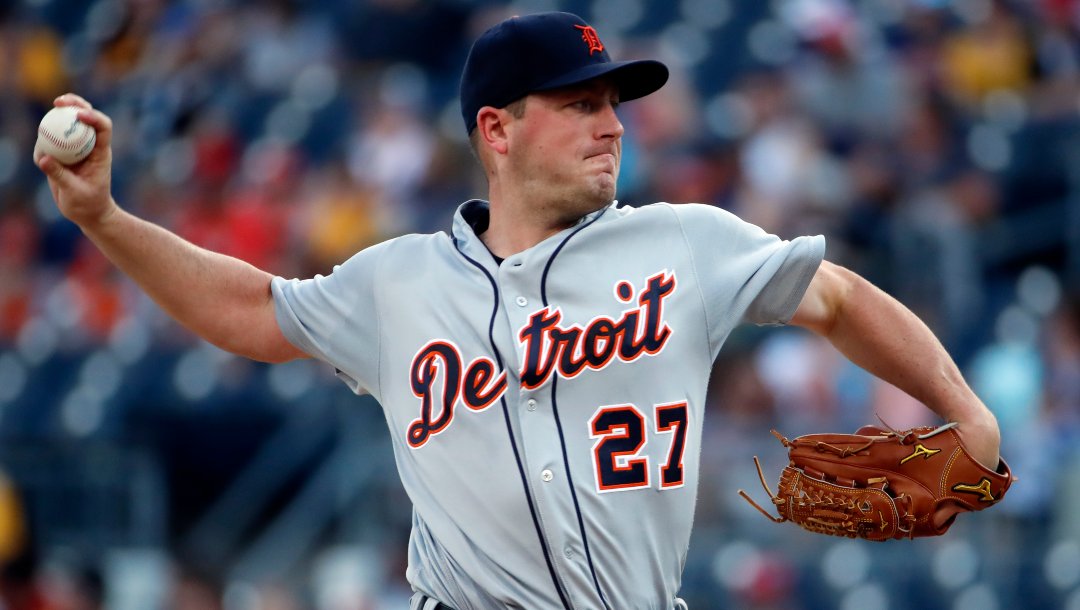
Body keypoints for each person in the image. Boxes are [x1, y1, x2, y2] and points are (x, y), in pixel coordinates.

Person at [36, 11, 1001, 610]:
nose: (613, 122)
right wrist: (106, 218)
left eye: (613, 101)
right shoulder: (398, 284)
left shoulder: (684, 243)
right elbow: (249, 311)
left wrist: (964, 409)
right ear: (496, 130)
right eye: (579, 103)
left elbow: (836, 298)